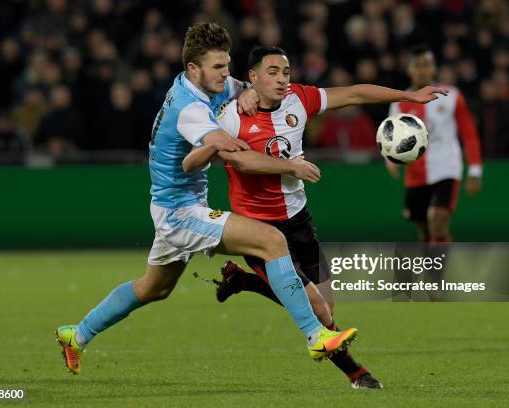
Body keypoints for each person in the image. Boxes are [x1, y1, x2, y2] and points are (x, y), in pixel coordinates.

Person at [55, 22, 356, 375]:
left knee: (153, 288)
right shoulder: (189, 108)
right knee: (271, 240)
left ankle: (76, 335)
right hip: (180, 211)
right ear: (193, 69)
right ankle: (314, 336)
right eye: (218, 67)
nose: (224, 74)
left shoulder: (210, 82)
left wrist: (246, 91)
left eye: (227, 66)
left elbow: (244, 87)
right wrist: (245, 149)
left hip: (175, 206)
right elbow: (217, 146)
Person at [182, 45, 446, 388]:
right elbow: (240, 162)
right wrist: (291, 165)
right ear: (253, 77)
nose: (281, 79)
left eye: (286, 72)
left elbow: (353, 93)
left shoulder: (299, 99)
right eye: (273, 72)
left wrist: (409, 95)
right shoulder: (232, 117)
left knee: (327, 307)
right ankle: (358, 374)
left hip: (299, 220)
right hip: (259, 230)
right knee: (318, 311)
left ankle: (243, 281)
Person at [386, 45, 483, 244]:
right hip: (416, 173)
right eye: (417, 65)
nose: (422, 69)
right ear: (409, 69)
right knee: (424, 230)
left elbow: (469, 133)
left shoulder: (452, 96)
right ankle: (434, 266)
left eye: (426, 65)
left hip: (447, 166)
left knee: (437, 219)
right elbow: (391, 138)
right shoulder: (398, 103)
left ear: (434, 68)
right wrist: (391, 160)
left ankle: (439, 275)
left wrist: (475, 170)